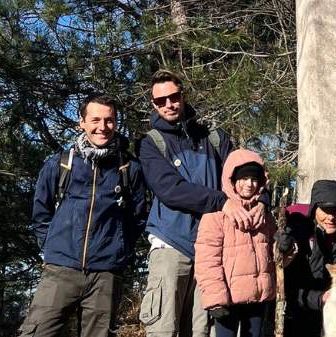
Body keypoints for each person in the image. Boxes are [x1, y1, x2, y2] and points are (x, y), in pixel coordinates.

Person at [138, 69, 263, 337]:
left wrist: (260, 199)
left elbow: (243, 174)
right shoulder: (152, 144)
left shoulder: (213, 138)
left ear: (183, 95)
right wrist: (222, 202)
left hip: (215, 249)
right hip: (172, 244)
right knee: (164, 328)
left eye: (173, 97)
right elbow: (170, 190)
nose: (169, 104)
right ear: (153, 104)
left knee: (201, 331)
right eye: (160, 101)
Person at [19, 93, 147, 337]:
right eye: (95, 120)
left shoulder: (129, 169)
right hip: (61, 270)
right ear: (82, 122)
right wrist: (52, 247)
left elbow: (137, 217)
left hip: (105, 274)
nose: (102, 127)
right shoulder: (61, 164)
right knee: (37, 332)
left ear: (116, 123)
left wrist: (118, 250)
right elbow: (40, 212)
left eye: (109, 120)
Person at [194, 150, 276, 337]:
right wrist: (215, 299)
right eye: (244, 178)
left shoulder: (265, 216)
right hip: (227, 298)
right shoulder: (215, 216)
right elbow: (207, 261)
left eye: (254, 179)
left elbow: (275, 255)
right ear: (232, 180)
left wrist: (286, 247)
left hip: (258, 297)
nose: (249, 184)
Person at [280, 178, 336, 337]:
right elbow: (289, 287)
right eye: (325, 210)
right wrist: (319, 298)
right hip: (297, 316)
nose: (331, 217)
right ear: (314, 209)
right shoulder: (297, 237)